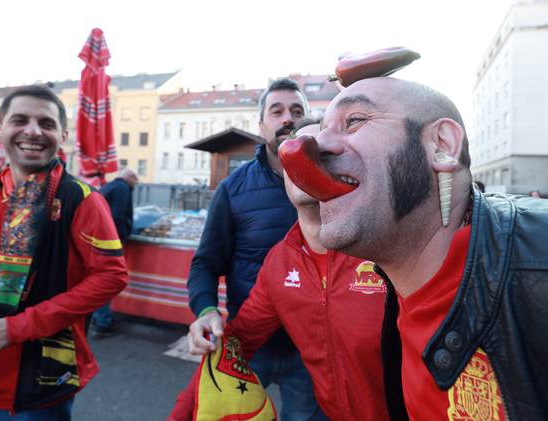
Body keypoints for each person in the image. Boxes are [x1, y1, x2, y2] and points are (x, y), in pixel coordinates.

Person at [292, 76, 548, 420]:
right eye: (322, 129)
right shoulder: (398, 291)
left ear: (441, 144)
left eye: (354, 120)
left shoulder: (537, 262)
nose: (315, 147)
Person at [0, 85, 128, 419]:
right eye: (20, 120)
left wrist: (15, 327)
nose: (33, 131)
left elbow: (111, 277)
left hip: (35, 381)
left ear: (62, 135)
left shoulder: (82, 198)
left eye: (46, 124)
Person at [171, 121, 389, 420]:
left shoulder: (387, 249)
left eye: (320, 154)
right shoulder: (280, 263)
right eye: (293, 154)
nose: (305, 162)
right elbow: (238, 340)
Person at [186, 78, 327, 420]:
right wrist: (205, 311)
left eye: (297, 111)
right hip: (250, 342)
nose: (287, 119)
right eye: (276, 111)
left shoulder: (332, 184)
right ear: (261, 124)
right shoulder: (233, 189)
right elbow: (205, 263)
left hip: (312, 349)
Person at [90, 168, 138, 337]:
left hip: (95, 240)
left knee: (96, 279)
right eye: (135, 181)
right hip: (109, 242)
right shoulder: (122, 188)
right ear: (130, 178)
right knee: (106, 279)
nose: (135, 185)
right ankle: (103, 322)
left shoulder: (109, 186)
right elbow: (118, 215)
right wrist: (123, 235)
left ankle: (98, 318)